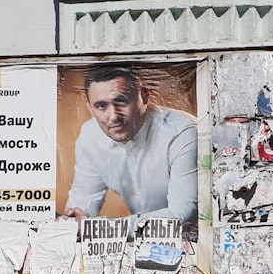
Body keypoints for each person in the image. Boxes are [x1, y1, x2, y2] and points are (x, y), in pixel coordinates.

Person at [63, 65, 198, 230]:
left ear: (144, 97)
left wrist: (104, 229)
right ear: (89, 107)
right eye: (101, 106)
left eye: (121, 102)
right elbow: (83, 203)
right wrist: (73, 221)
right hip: (138, 240)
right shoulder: (90, 135)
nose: (113, 117)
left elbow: (184, 214)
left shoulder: (181, 132)